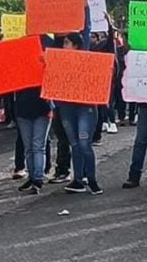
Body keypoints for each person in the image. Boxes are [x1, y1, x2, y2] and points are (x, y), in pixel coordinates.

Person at [56, 31, 103, 195]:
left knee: (84, 144)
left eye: (67, 43)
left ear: (76, 45)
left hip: (86, 108)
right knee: (75, 144)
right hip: (67, 107)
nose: (64, 46)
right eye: (64, 43)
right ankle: (77, 180)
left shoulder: (88, 60)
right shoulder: (59, 62)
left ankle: (92, 180)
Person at [13, 38, 54, 195]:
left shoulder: (45, 62)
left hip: (41, 107)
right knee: (30, 147)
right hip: (24, 109)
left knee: (37, 146)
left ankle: (37, 178)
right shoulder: (18, 67)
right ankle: (33, 176)